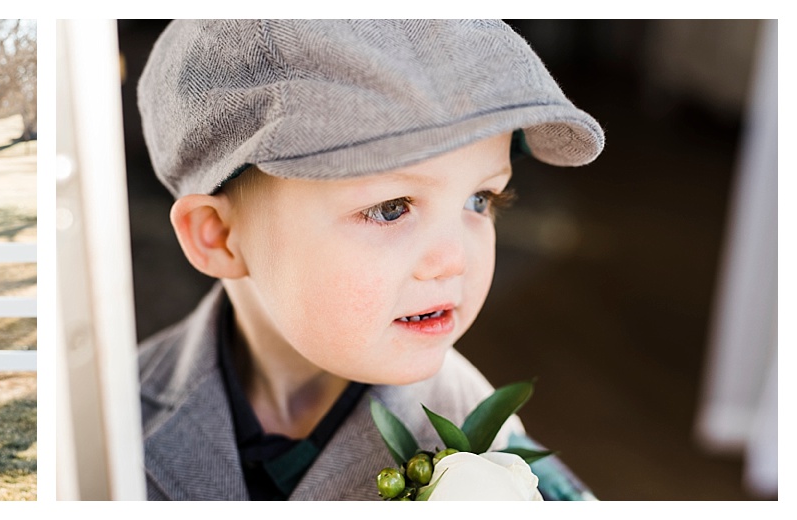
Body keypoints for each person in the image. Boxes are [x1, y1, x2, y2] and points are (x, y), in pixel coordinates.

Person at [134, 20, 602, 500]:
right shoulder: (107, 417)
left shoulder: (490, 466)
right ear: (220, 237)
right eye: (390, 208)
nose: (454, 259)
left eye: (480, 200)